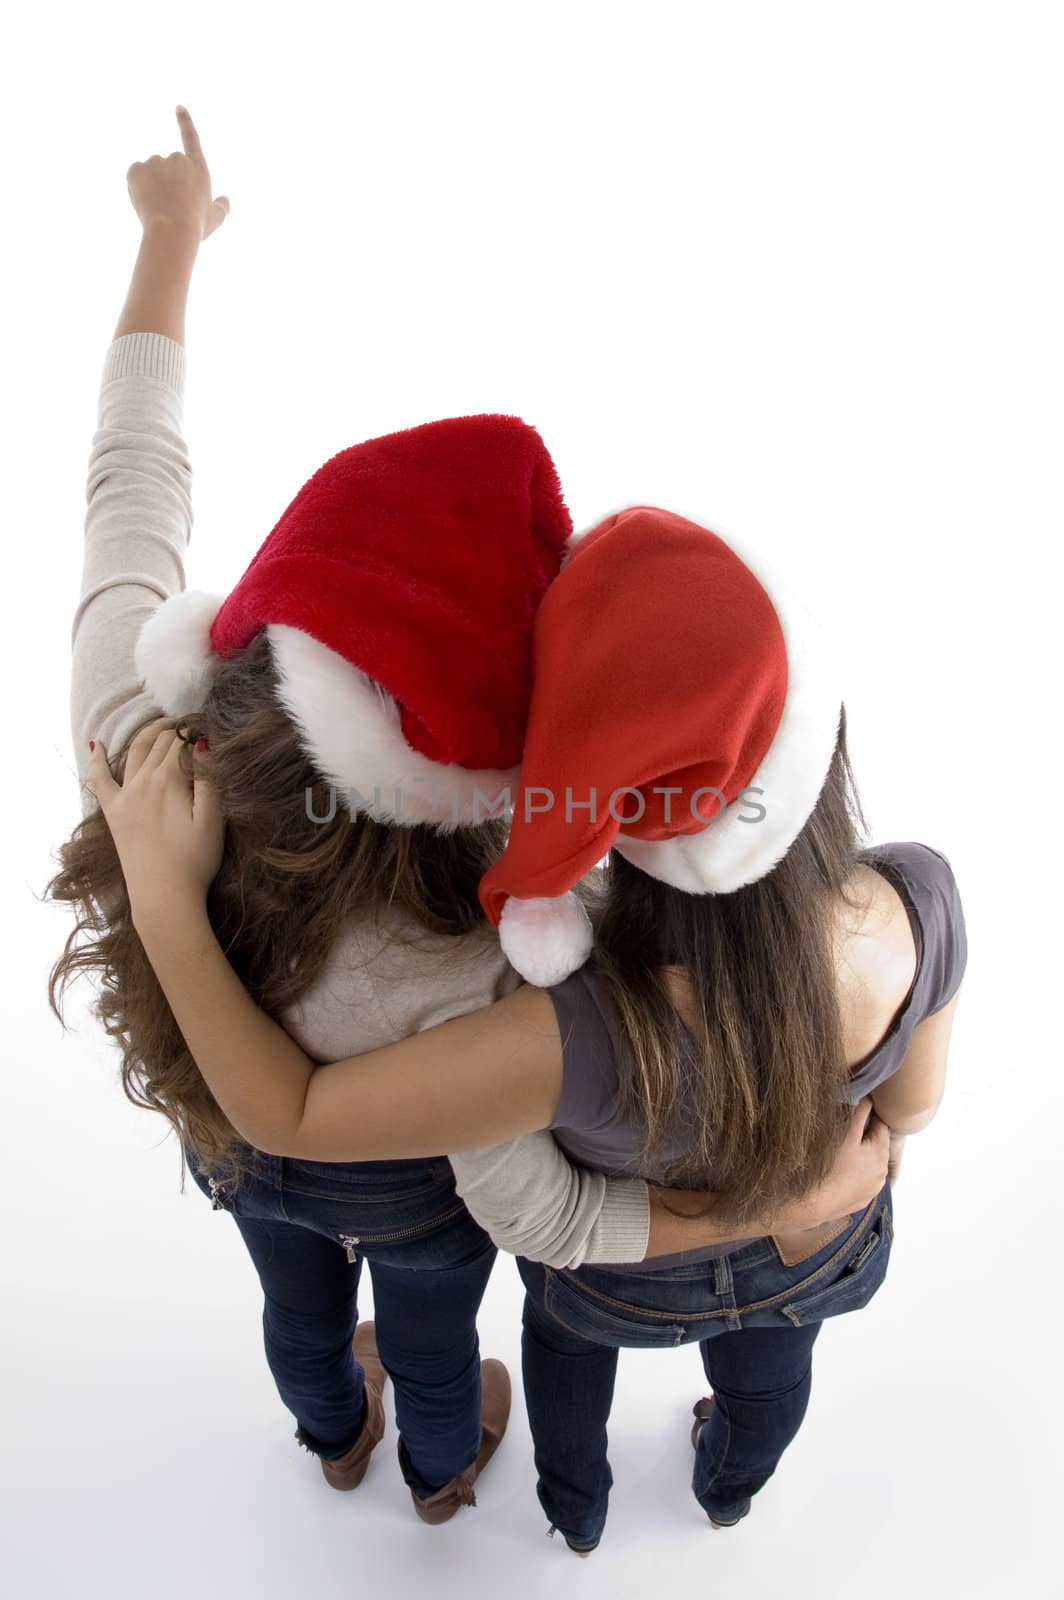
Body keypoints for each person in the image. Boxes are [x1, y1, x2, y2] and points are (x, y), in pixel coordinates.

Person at [47, 107, 882, 1529]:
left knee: (296, 1308)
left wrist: (169, 238)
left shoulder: (139, 754)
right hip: (415, 1206)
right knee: (435, 1339)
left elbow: (133, 478)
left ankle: (327, 1430)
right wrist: (771, 1211)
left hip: (232, 1154)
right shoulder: (517, 947)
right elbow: (545, 1215)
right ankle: (440, 1472)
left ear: (253, 631)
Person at [84, 489, 962, 1552]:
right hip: (820, 1246)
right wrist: (806, 1188)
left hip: (611, 1289)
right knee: (773, 1377)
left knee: (526, 1376)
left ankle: (563, 1513)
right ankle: (726, 1493)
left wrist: (161, 895)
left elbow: (298, 1111)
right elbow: (908, 1104)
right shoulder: (913, 899)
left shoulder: (569, 1019)